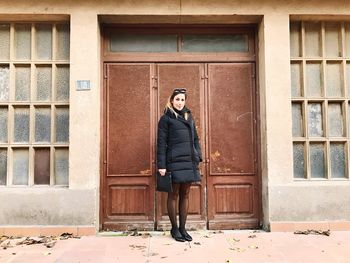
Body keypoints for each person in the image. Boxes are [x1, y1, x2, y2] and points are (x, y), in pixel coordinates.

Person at [157, 88, 203, 242]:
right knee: (173, 195)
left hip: (189, 161)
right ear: (171, 100)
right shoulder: (165, 119)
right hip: (173, 162)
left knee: (186, 194)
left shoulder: (189, 116)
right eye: (177, 99)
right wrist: (161, 165)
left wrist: (198, 155)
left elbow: (195, 138)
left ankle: (183, 228)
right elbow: (161, 143)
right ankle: (174, 229)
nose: (180, 102)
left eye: (182, 100)